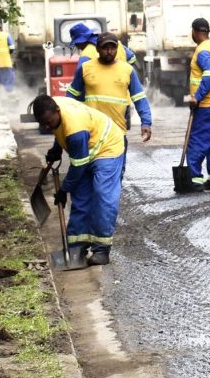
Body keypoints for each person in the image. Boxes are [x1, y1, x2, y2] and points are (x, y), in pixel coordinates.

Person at [34, 93, 125, 266]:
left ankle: (102, 250)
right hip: (86, 146)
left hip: (107, 147)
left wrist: (63, 189)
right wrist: (57, 148)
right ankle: (76, 247)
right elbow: (60, 128)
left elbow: (78, 167)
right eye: (43, 124)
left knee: (102, 196)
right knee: (81, 198)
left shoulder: (75, 130)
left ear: (57, 111)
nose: (47, 126)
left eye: (49, 122)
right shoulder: (53, 108)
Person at [66, 31, 152, 170]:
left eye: (113, 48)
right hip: (92, 132)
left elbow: (139, 98)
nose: (109, 51)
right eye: (105, 48)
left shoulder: (127, 70)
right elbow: (71, 96)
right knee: (91, 172)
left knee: (118, 173)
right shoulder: (85, 68)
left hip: (118, 132)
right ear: (98, 49)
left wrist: (146, 123)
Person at [180, 17, 210, 192]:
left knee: (197, 141)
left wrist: (198, 96)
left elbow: (209, 75)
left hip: (207, 104)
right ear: (207, 32)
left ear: (194, 32)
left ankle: (194, 180)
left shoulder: (202, 51)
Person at [69, 22, 137, 68]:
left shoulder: (86, 54)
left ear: (81, 42)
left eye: (76, 44)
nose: (77, 47)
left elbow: (80, 78)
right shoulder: (116, 43)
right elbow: (132, 58)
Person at [0, 21, 16, 93]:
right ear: (1, 29)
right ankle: (8, 99)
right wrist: (8, 53)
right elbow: (12, 48)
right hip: (6, 64)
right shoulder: (6, 35)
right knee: (8, 86)